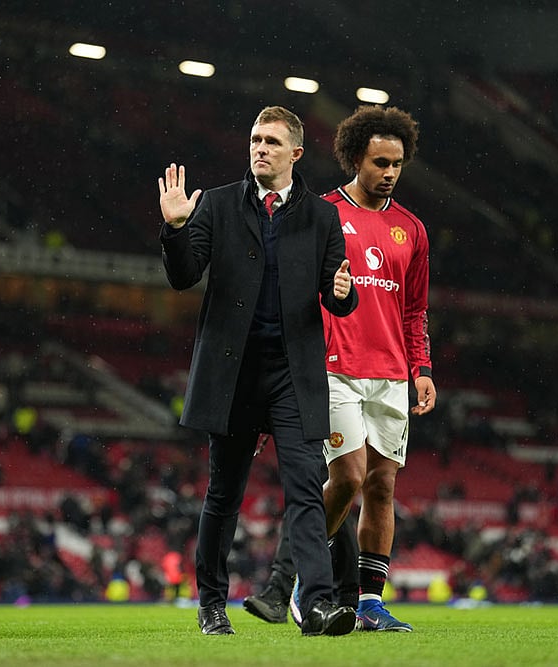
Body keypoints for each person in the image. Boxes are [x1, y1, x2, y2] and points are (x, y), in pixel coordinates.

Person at [158, 105, 359, 636]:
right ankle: (211, 604)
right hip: (232, 374)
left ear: (296, 153)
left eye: (271, 141)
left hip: (293, 375)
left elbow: (338, 295)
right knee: (224, 495)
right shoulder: (218, 204)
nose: (260, 149)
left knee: (306, 490)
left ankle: (316, 605)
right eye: (254, 139)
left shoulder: (322, 217)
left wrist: (343, 293)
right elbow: (183, 276)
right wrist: (176, 228)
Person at [243, 105, 436, 632]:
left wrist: (421, 367)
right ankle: (303, 582)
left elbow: (415, 310)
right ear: (355, 158)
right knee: (347, 476)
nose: (389, 173)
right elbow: (288, 296)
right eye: (380, 162)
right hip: (333, 369)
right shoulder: (321, 213)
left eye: (397, 164)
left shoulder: (412, 230)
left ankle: (370, 602)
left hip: (391, 374)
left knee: (382, 487)